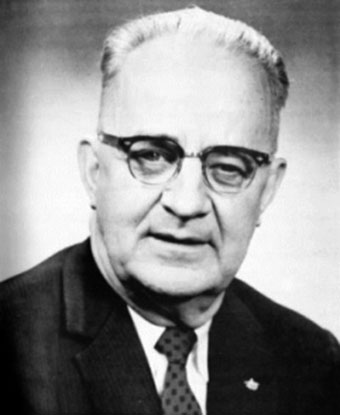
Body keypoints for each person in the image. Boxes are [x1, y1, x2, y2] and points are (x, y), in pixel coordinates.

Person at [1, 7, 339, 415]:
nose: (187, 202)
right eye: (152, 156)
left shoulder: (312, 362)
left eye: (229, 167)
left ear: (267, 189)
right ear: (93, 171)